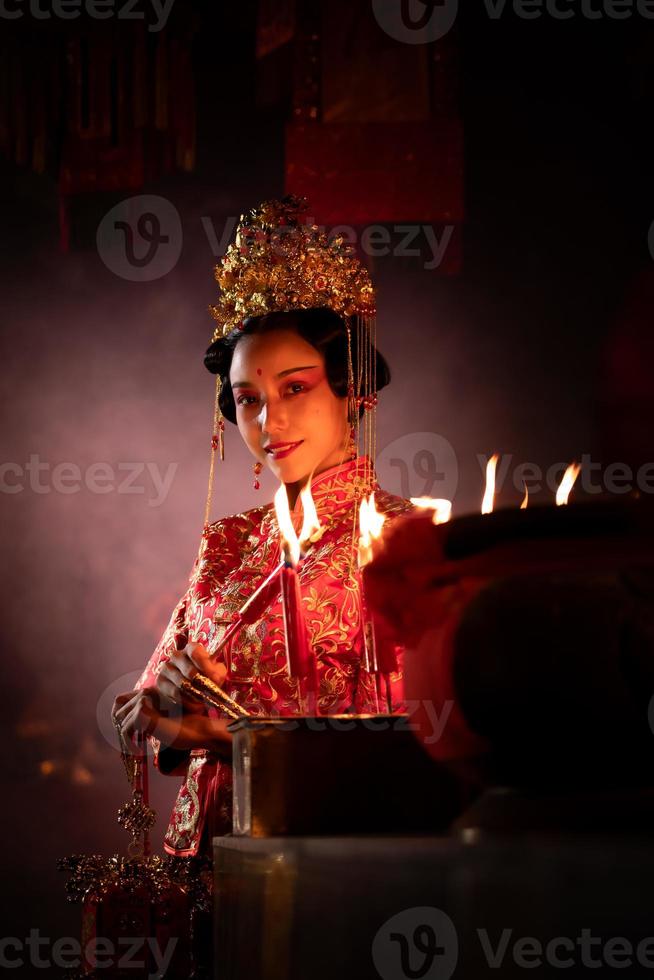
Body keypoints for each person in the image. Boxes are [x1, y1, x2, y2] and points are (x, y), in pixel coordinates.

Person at [111, 196, 415, 858]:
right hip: (209, 850)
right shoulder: (225, 546)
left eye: (296, 389)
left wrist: (218, 736)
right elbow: (136, 711)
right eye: (248, 400)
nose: (268, 423)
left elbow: (411, 735)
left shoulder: (400, 539)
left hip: (340, 847)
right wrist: (163, 701)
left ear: (351, 389)